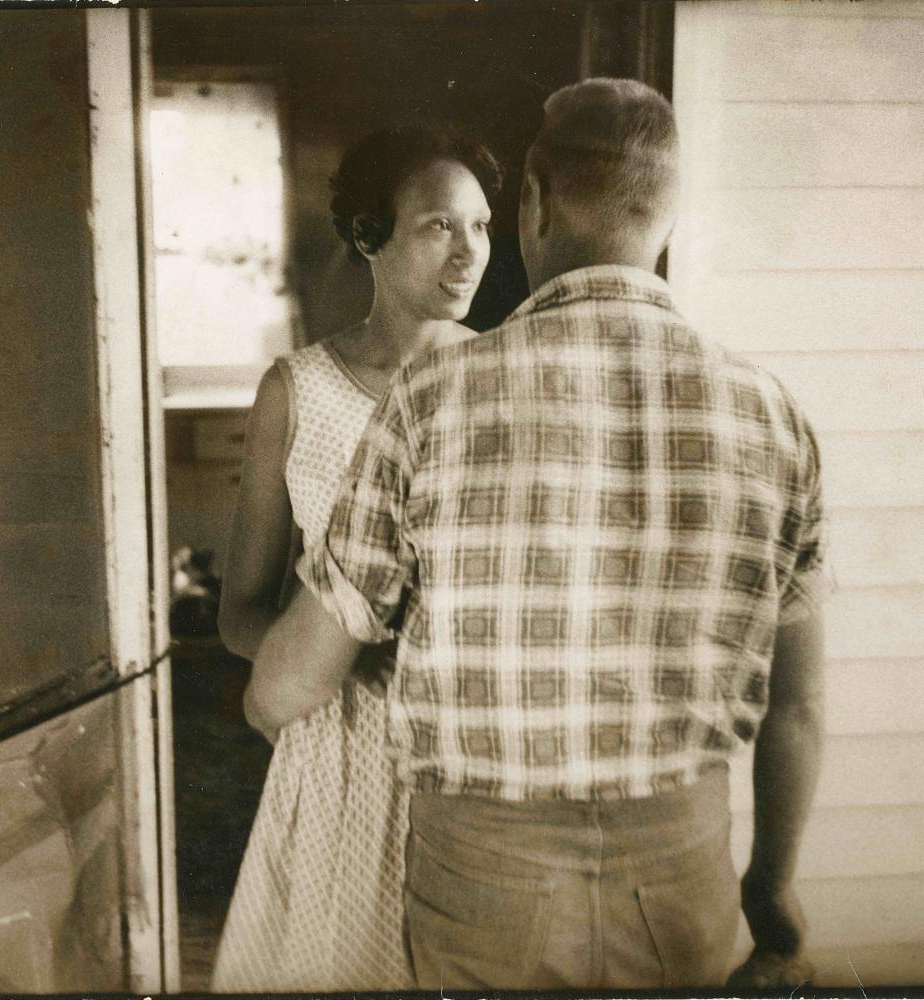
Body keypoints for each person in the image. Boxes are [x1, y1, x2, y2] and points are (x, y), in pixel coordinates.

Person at [260, 78, 826, 990]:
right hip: (680, 865)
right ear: (667, 217)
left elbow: (292, 685)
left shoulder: (432, 399)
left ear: (531, 203)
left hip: (486, 875)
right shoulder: (771, 416)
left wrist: (264, 693)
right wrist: (771, 889)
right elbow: (796, 708)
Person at [211, 123, 501, 992]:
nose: (469, 254)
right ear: (369, 235)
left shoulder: (505, 377)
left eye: (483, 227)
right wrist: (328, 656)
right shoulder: (296, 390)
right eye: (440, 226)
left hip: (471, 751)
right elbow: (239, 613)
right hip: (336, 754)